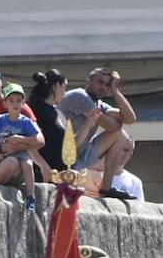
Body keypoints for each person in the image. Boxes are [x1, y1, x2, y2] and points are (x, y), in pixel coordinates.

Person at [59, 67, 138, 199]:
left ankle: (106, 188)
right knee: (118, 131)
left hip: (79, 156)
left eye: (107, 84)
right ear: (88, 82)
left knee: (121, 135)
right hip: (62, 155)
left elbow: (130, 118)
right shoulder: (79, 96)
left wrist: (115, 90)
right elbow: (109, 125)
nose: (103, 87)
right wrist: (117, 123)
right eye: (100, 82)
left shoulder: (99, 104)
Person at [0, 83, 43, 212]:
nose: (15, 104)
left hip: (20, 154)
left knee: (28, 165)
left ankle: (30, 197)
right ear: (5, 104)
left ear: (23, 103)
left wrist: (20, 139)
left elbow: (37, 139)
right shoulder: (0, 120)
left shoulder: (26, 121)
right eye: (11, 101)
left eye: (18, 101)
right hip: (2, 153)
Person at [30, 69, 68, 173]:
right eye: (64, 87)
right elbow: (28, 143)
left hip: (61, 174)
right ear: (56, 86)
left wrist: (88, 124)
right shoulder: (35, 110)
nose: (65, 93)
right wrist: (44, 166)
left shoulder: (57, 112)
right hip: (43, 172)